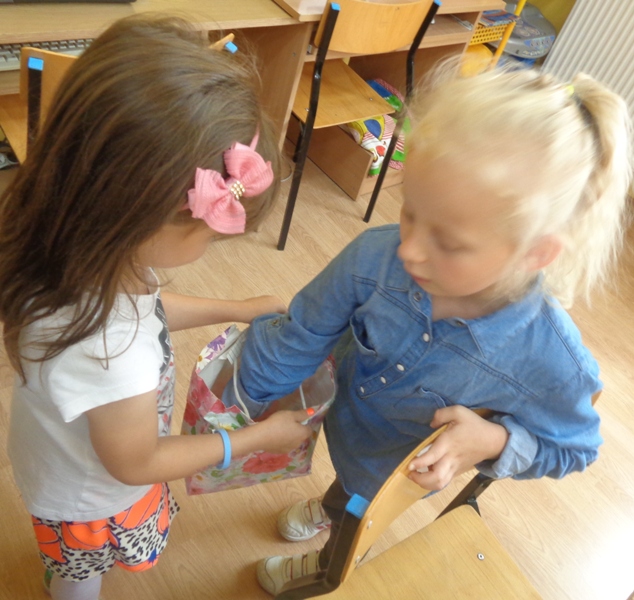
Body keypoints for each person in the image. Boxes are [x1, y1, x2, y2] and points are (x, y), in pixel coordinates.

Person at [221, 64, 633, 594]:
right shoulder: (376, 255)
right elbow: (302, 333)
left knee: (352, 523)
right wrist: (240, 406)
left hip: (385, 477)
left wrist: (493, 440)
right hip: (342, 429)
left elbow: (575, 448)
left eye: (450, 242)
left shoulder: (551, 359)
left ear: (535, 253)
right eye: (410, 211)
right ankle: (332, 503)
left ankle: (326, 565)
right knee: (345, 491)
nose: (409, 249)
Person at [0, 15, 313, 600]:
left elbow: (147, 305)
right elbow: (137, 462)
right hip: (92, 496)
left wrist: (237, 306)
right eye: (212, 234)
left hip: (60, 455)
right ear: (143, 216)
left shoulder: (76, 248)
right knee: (80, 573)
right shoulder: (112, 352)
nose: (211, 244)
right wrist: (251, 440)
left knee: (72, 557)